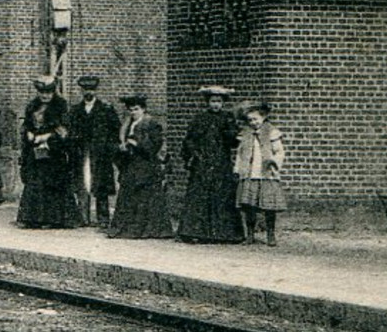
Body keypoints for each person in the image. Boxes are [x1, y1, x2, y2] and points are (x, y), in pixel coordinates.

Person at [178, 86, 244, 243]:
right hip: (203, 162)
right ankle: (196, 231)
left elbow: (234, 142)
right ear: (208, 102)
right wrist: (194, 154)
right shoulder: (200, 118)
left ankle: (223, 233)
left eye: (219, 101)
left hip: (221, 162)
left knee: (222, 195)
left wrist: (231, 133)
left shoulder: (227, 118)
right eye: (213, 101)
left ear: (223, 103)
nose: (215, 105)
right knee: (199, 195)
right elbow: (190, 139)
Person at [109, 94, 173, 239]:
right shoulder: (126, 126)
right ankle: (126, 228)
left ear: (143, 109)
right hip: (130, 165)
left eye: (136, 109)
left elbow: (155, 146)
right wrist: (121, 149)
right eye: (130, 110)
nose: (133, 113)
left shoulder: (151, 125)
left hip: (146, 166)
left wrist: (137, 144)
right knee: (128, 196)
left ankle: (146, 229)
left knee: (145, 198)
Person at [16, 76, 77, 228]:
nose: (45, 96)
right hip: (35, 151)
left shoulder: (61, 106)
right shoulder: (32, 106)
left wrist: (48, 136)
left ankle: (52, 219)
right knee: (34, 183)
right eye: (42, 92)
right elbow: (27, 125)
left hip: (53, 153)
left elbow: (65, 131)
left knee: (52, 184)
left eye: (48, 92)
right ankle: (32, 218)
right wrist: (29, 133)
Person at [65, 74, 121, 227]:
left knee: (101, 185)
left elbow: (115, 132)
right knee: (82, 184)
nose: (88, 93)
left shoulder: (106, 110)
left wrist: (109, 150)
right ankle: (83, 217)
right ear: (81, 91)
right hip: (81, 153)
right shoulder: (75, 111)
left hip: (100, 154)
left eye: (92, 89)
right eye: (85, 90)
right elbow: (69, 131)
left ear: (96, 91)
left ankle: (103, 218)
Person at [235, 101, 287, 246]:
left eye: (256, 119)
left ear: (263, 117)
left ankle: (271, 234)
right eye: (250, 120)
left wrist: (274, 163)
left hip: (266, 174)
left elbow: (279, 151)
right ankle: (250, 234)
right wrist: (238, 169)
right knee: (248, 205)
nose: (253, 123)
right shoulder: (246, 134)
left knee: (269, 206)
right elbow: (240, 153)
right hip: (250, 173)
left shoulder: (271, 132)